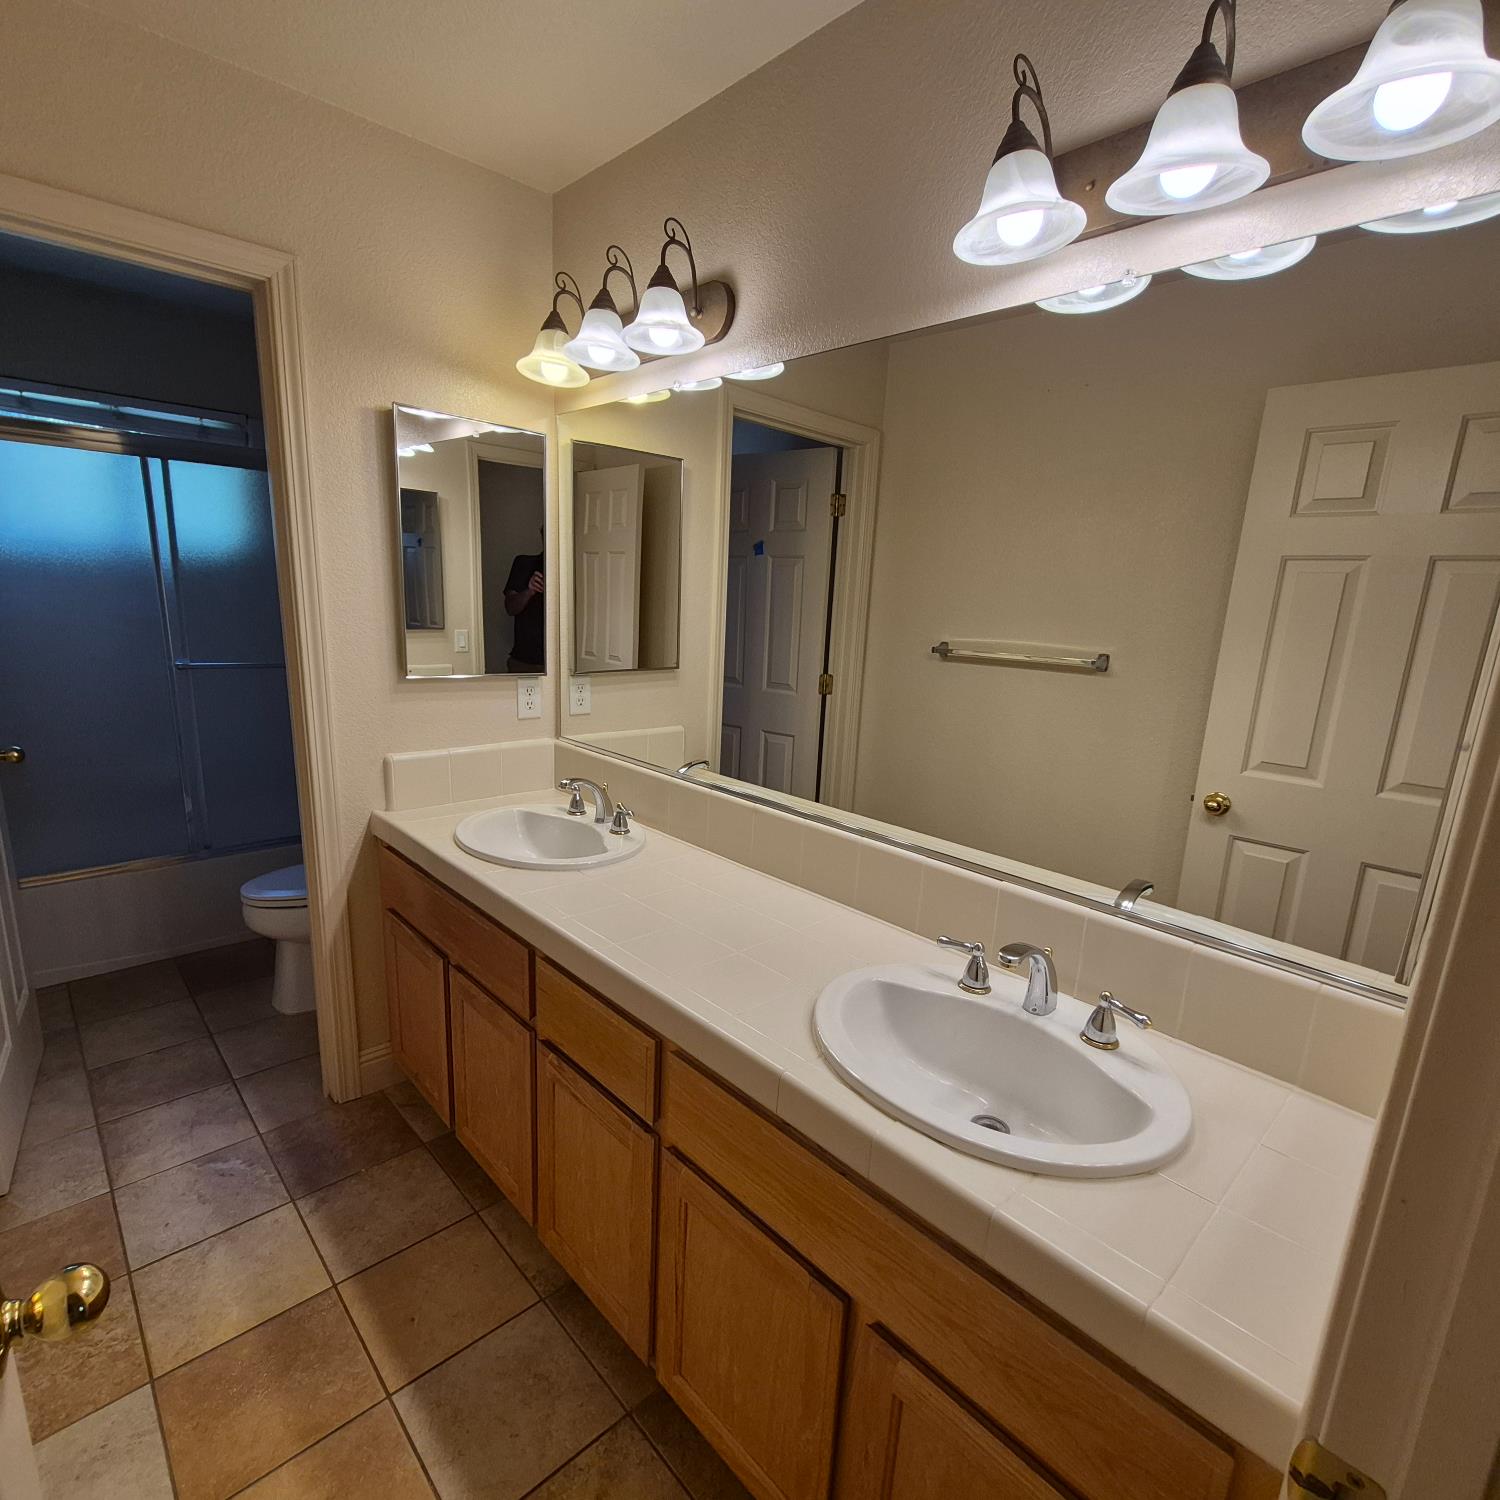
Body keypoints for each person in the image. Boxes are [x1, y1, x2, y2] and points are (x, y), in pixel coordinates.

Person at [503, 549, 544, 674]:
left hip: (564, 661)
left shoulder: (575, 566)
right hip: (525, 661)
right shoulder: (525, 564)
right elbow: (510, 608)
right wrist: (530, 591)